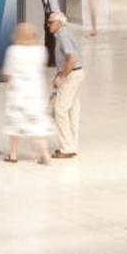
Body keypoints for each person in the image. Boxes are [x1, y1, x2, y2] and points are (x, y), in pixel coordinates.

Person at [2, 22, 53, 164]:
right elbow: (41, 68)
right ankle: (45, 154)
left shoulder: (13, 51)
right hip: (36, 92)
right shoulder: (41, 50)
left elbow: (8, 73)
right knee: (37, 125)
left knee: (15, 123)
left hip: (18, 93)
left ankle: (13, 154)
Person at [49, 10, 83, 160]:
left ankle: (66, 147)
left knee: (60, 110)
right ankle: (72, 144)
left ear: (59, 23)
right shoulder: (66, 33)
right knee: (73, 110)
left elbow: (72, 57)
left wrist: (62, 76)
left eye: (51, 22)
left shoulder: (62, 35)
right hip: (77, 73)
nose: (48, 24)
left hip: (72, 75)